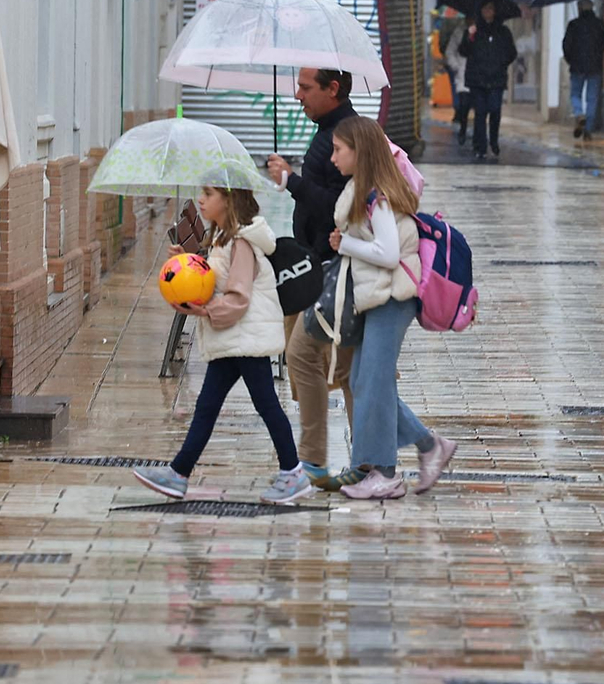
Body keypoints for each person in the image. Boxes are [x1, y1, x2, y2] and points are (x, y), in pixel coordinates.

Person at [132, 183, 312, 505]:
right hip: (234, 336)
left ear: (229, 201)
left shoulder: (241, 242)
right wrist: (185, 263)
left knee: (266, 405)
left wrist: (203, 310)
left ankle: (293, 473)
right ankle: (179, 473)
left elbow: (238, 297)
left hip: (245, 335)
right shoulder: (222, 238)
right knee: (207, 406)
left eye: (209, 194)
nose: (200, 199)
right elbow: (215, 277)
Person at [327, 115, 457, 499]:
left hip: (392, 297)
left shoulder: (376, 196)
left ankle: (384, 475)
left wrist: (344, 245)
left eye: (339, 150)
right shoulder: (367, 191)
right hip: (379, 296)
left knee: (374, 384)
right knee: (364, 382)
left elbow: (387, 253)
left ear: (360, 152)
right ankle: (430, 446)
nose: (333, 157)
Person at [266, 68, 358, 489]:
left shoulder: (345, 134)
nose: (297, 95)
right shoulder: (327, 131)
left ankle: (350, 461)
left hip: (332, 272)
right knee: (319, 366)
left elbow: (340, 207)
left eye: (305, 88)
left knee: (344, 370)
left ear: (332, 89)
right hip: (314, 269)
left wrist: (293, 183)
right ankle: (323, 461)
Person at [458, 0, 517, 162]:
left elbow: (512, 53)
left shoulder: (503, 32)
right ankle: (480, 146)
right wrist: (469, 36)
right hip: (477, 79)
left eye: (490, 9)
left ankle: (494, 140)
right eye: (485, 9)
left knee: (495, 110)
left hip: (496, 79)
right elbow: (463, 51)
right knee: (480, 113)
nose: (487, 12)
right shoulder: (474, 31)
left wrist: (501, 63)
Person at [562, 0, 604, 139]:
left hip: (577, 66)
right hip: (595, 66)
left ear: (580, 8)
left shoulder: (573, 25)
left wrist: (570, 60)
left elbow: (566, 45)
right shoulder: (600, 24)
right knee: (592, 97)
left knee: (575, 94)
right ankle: (588, 128)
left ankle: (579, 114)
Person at [442, 20, 473, 148]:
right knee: (463, 105)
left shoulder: (484, 31)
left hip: (480, 76)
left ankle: (479, 139)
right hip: (463, 75)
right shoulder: (460, 31)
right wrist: (456, 66)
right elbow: (451, 51)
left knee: (481, 110)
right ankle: (463, 130)